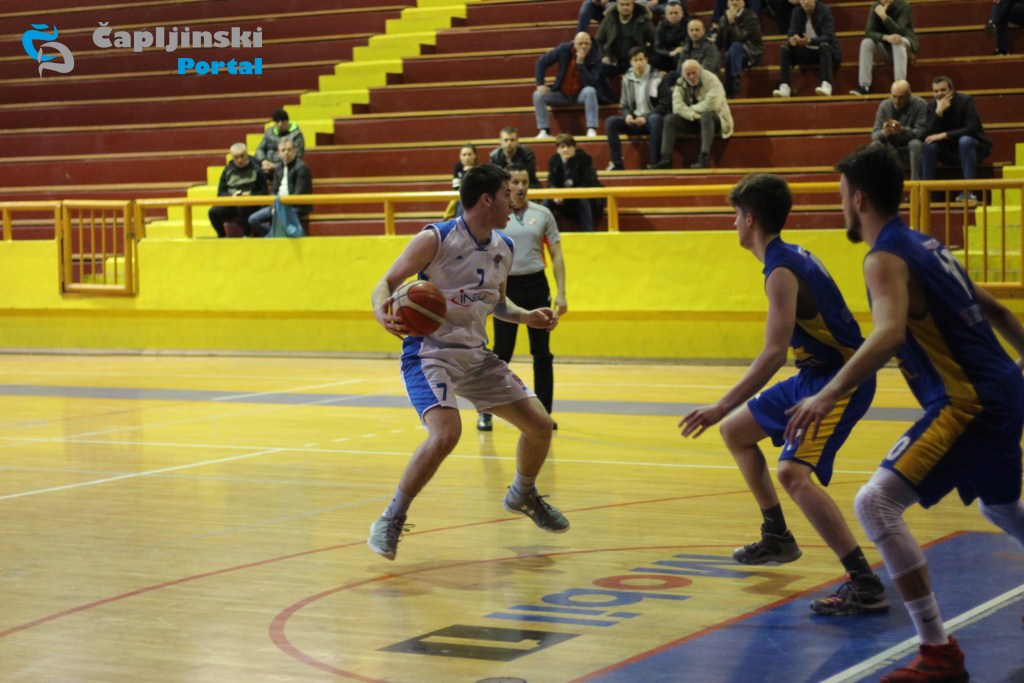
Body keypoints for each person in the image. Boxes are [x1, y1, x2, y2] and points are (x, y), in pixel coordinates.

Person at [786, 144, 1024, 682]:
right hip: (1005, 390)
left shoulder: (884, 257)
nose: (841, 206)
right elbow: (996, 308)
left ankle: (939, 653)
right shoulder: (927, 245)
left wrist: (828, 393)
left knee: (875, 504)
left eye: (842, 197)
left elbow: (890, 333)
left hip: (970, 401)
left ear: (859, 198)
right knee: (1001, 507)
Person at [679, 172, 888, 617]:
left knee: (792, 474)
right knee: (736, 432)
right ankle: (776, 535)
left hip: (840, 381)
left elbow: (773, 354)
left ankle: (865, 582)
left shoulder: (781, 271)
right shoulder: (788, 255)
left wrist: (720, 405)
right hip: (815, 373)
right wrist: (727, 414)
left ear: (750, 220)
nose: (733, 223)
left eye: (735, 216)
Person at [367, 163, 569, 561]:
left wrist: (526, 316)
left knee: (540, 426)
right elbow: (386, 282)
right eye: (506, 195)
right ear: (486, 199)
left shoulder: (504, 247)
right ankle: (391, 518)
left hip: (476, 356)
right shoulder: (436, 238)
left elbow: (498, 303)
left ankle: (522, 494)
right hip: (430, 353)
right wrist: (380, 311)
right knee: (446, 434)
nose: (513, 203)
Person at [478, 164, 567, 433]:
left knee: (542, 353)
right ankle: (486, 411)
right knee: (501, 353)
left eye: (524, 182)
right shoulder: (496, 217)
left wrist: (562, 292)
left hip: (536, 285)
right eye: (515, 182)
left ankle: (544, 413)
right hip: (506, 286)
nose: (520, 187)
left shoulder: (543, 214)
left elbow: (556, 255)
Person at [649, 59, 733, 170]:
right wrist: (692, 115)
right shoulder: (680, 82)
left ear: (700, 70)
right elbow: (677, 107)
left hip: (716, 119)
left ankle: (704, 157)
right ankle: (666, 159)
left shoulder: (711, 79)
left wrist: (690, 110)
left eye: (694, 73)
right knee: (670, 119)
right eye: (688, 74)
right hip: (693, 119)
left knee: (706, 115)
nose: (692, 76)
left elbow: (712, 104)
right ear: (684, 74)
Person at [922, 76, 993, 202]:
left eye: (943, 90)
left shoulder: (966, 101)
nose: (939, 94)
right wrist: (938, 113)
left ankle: (969, 191)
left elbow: (972, 128)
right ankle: (925, 192)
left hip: (972, 148)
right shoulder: (932, 106)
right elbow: (928, 135)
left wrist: (945, 134)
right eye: (936, 91)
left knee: (965, 140)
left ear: (951, 90)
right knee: (930, 146)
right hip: (949, 151)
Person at [533, 32, 615, 140]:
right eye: (580, 43)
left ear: (591, 44)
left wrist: (580, 64)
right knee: (538, 95)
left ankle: (591, 128)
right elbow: (541, 62)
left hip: (580, 95)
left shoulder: (595, 57)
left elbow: (591, 82)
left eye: (587, 44)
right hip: (562, 94)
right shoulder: (564, 49)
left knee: (590, 91)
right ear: (574, 43)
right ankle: (544, 130)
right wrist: (540, 83)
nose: (584, 46)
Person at [604, 47, 669, 170]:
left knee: (655, 119)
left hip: (651, 120)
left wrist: (646, 118)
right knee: (610, 122)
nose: (639, 63)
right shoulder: (626, 79)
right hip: (634, 120)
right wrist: (627, 115)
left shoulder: (657, 77)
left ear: (646, 60)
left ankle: (655, 162)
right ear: (631, 62)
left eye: (641, 59)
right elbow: (624, 104)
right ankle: (617, 164)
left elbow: (664, 104)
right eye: (635, 60)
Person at [772, 0, 841, 98]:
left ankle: (826, 84)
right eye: (803, 0)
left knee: (824, 46)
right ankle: (785, 86)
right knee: (785, 49)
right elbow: (792, 32)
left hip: (827, 52)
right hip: (807, 50)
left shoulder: (824, 10)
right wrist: (793, 39)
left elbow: (828, 36)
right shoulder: (797, 11)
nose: (806, 2)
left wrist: (810, 41)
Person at [850, 0, 918, 96]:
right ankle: (864, 86)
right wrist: (885, 37)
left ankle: (900, 86)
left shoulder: (904, 6)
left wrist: (884, 16)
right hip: (886, 48)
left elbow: (899, 30)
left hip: (904, 48)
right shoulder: (876, 6)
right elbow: (869, 32)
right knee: (866, 42)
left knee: (897, 40)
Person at [248, 138, 313, 237]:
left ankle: (271, 238)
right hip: (278, 204)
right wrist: (274, 207)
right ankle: (274, 235)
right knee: (253, 219)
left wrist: (280, 208)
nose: (286, 152)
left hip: (297, 206)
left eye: (289, 149)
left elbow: (299, 194)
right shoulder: (278, 168)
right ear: (279, 153)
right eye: (283, 150)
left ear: (294, 151)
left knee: (279, 217)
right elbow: (274, 191)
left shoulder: (302, 167)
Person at [208, 142, 268, 238]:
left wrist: (250, 195)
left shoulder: (257, 169)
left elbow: (264, 192)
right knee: (213, 212)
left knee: (242, 207)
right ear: (232, 157)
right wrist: (231, 196)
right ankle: (222, 236)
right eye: (236, 157)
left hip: (251, 204)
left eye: (242, 156)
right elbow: (220, 193)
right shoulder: (227, 170)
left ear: (247, 155)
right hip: (232, 203)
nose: (239, 160)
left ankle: (247, 234)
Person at [545, 134, 604, 232]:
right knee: (548, 201)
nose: (566, 149)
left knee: (583, 199)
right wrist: (555, 193)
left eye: (569, 146)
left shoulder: (584, 160)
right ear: (557, 149)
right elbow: (551, 182)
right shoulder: (554, 161)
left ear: (574, 148)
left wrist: (569, 194)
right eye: (562, 147)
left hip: (587, 199)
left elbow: (587, 183)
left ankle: (588, 234)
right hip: (564, 201)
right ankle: (542, 234)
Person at [871, 80, 927, 180]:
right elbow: (874, 134)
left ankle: (915, 184)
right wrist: (883, 133)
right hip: (892, 147)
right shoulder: (885, 105)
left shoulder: (920, 104)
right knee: (875, 145)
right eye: (894, 97)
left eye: (901, 97)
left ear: (909, 95)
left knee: (915, 144)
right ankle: (877, 184)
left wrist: (902, 130)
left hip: (910, 147)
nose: (897, 101)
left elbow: (923, 132)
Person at [715, 0, 763, 98]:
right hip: (732, 56)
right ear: (727, 4)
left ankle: (733, 83)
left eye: (737, 0)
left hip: (750, 53)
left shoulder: (750, 16)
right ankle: (733, 82)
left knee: (735, 46)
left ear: (743, 3)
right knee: (728, 55)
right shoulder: (723, 18)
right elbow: (719, 42)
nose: (734, 3)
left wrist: (732, 22)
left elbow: (740, 38)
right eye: (731, 0)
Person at [596, 0, 657, 76]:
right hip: (613, 61)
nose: (625, 7)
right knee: (598, 70)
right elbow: (598, 41)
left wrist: (643, 56)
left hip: (635, 62)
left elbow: (656, 41)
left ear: (633, 5)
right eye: (622, 5)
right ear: (617, 6)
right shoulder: (609, 19)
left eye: (628, 4)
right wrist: (604, 56)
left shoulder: (643, 20)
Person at [254, 109, 305, 176]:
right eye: (277, 122)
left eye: (283, 121)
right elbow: (259, 149)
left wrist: (275, 166)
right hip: (267, 165)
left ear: (287, 121)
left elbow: (297, 157)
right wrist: (263, 161)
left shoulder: (297, 135)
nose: (280, 124)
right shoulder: (269, 132)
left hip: (287, 167)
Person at [651, 0, 691, 73]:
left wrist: (681, 49)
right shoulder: (661, 26)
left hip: (683, 54)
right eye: (671, 13)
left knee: (679, 57)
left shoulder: (689, 24)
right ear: (666, 15)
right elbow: (657, 48)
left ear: (682, 13)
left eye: (676, 13)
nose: (673, 15)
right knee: (653, 59)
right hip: (667, 54)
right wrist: (669, 53)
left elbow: (690, 43)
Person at [443, 143, 477, 219]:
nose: (467, 157)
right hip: (461, 198)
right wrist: (465, 172)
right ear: (460, 157)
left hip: (475, 199)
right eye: (464, 155)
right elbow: (456, 187)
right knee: (460, 200)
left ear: (475, 156)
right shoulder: (457, 167)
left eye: (469, 154)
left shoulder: (479, 169)